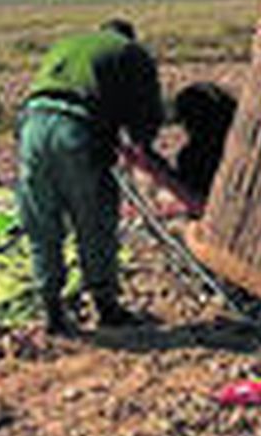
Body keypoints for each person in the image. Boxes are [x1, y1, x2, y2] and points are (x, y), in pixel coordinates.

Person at [15, 18, 165, 336]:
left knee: (42, 222)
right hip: (75, 130)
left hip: (32, 126)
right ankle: (106, 306)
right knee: (93, 219)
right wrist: (142, 148)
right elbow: (147, 114)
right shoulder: (131, 52)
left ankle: (53, 311)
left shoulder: (67, 43)